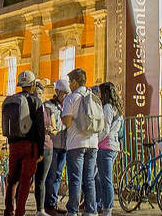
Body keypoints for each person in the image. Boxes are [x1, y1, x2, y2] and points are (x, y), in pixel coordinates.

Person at [3, 70, 45, 216]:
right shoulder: (36, 102)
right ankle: (20, 212)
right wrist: (40, 151)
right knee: (25, 181)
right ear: (33, 85)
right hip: (30, 145)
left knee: (12, 179)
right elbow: (41, 129)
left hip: (14, 144)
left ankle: (8, 211)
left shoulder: (11, 100)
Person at [61, 68, 98, 216]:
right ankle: (91, 210)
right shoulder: (94, 96)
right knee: (89, 179)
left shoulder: (72, 98)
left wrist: (62, 120)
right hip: (93, 143)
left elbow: (68, 122)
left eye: (70, 82)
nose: (69, 85)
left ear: (75, 82)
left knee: (75, 179)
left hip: (76, 143)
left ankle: (73, 211)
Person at [94, 82, 123, 216]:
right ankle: (100, 204)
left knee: (105, 179)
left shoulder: (107, 107)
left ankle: (107, 208)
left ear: (105, 93)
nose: (98, 94)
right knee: (101, 178)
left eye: (100, 92)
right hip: (113, 146)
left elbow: (105, 128)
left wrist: (95, 141)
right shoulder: (117, 108)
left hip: (105, 146)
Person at [44, 79, 70, 216]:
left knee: (58, 175)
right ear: (58, 92)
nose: (65, 96)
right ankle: (48, 204)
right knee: (51, 175)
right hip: (52, 145)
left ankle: (53, 203)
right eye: (64, 93)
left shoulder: (67, 106)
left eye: (67, 94)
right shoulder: (48, 105)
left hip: (64, 145)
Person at [33, 79, 53, 216]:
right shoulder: (29, 109)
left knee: (41, 179)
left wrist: (51, 129)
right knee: (27, 178)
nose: (38, 96)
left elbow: (55, 128)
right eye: (35, 93)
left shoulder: (48, 109)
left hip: (47, 147)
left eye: (40, 93)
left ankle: (40, 209)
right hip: (32, 147)